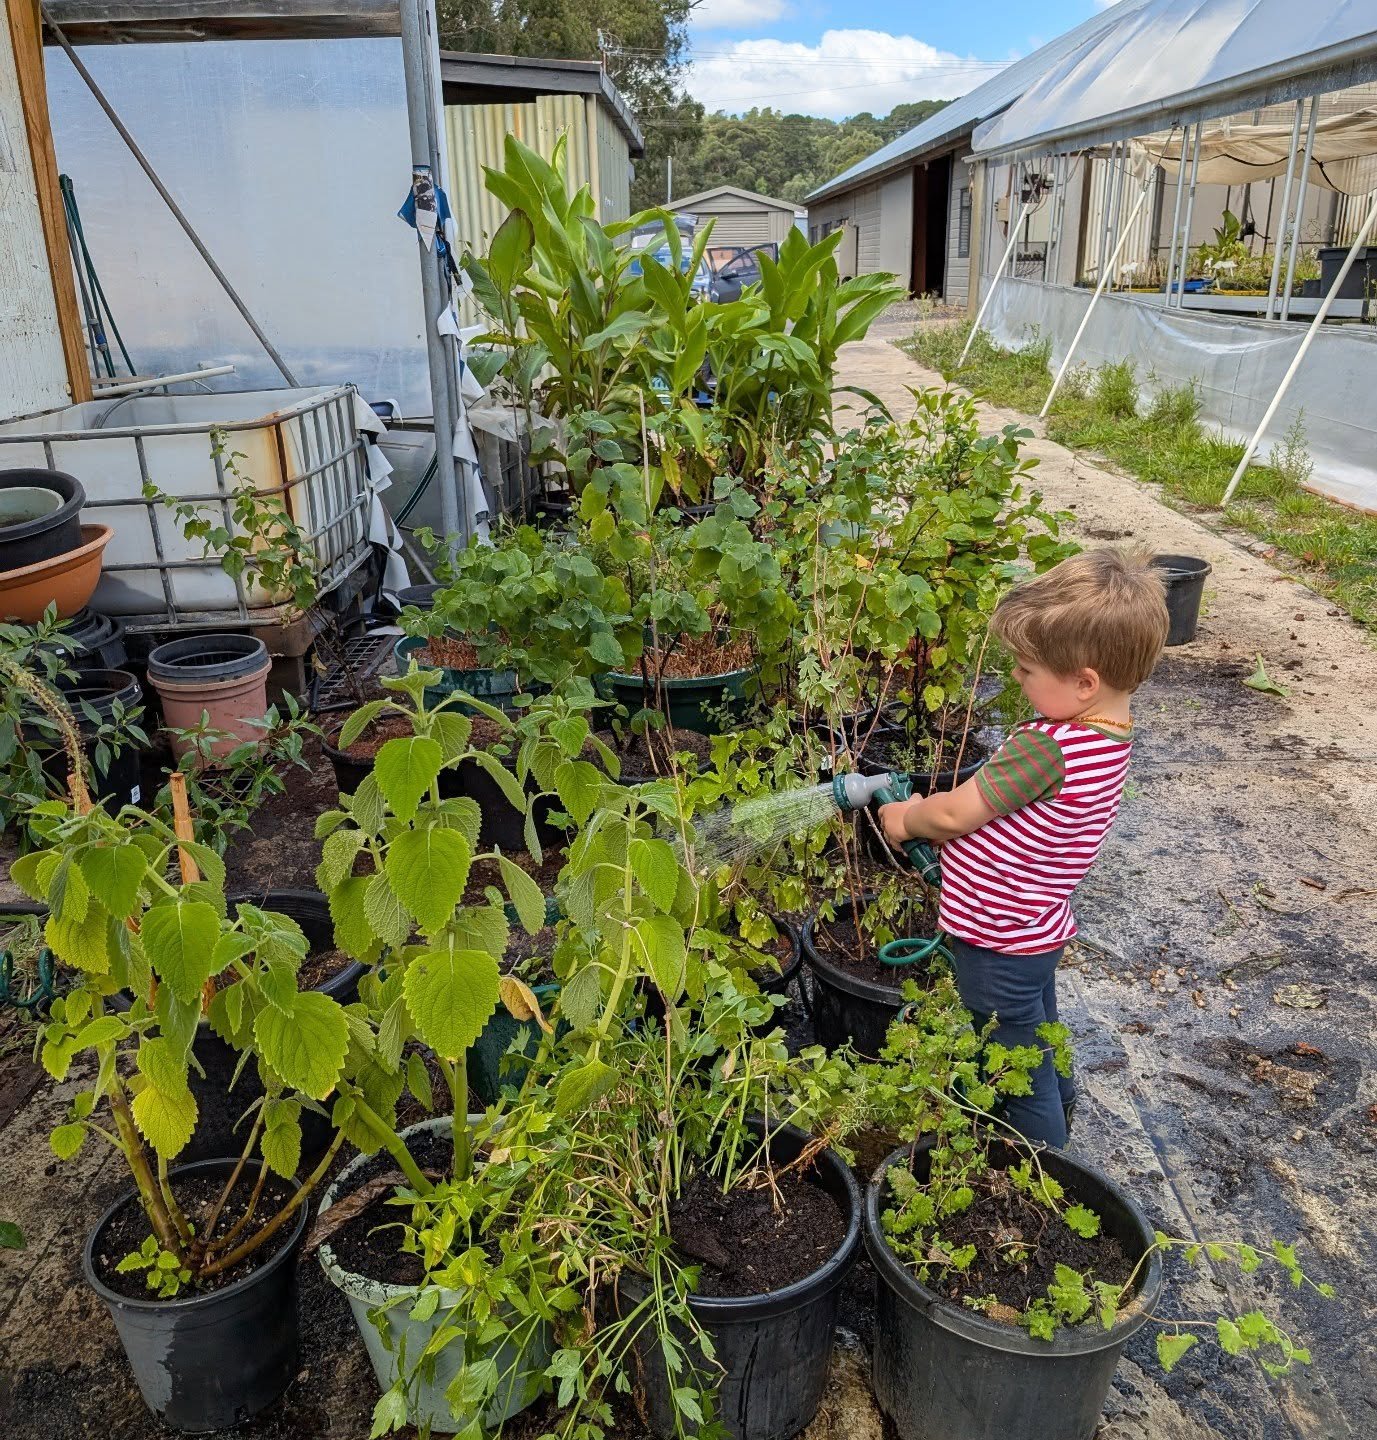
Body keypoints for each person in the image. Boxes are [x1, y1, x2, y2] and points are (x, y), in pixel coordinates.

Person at [879, 548, 1170, 1147]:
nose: (1015, 677)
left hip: (996, 940)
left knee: (1016, 1065)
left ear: (1084, 683)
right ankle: (1064, 1107)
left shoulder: (1048, 748)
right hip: (1037, 929)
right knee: (1041, 1030)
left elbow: (958, 811)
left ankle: (1044, 1162)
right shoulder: (1108, 738)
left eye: (1025, 669)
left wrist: (906, 817)